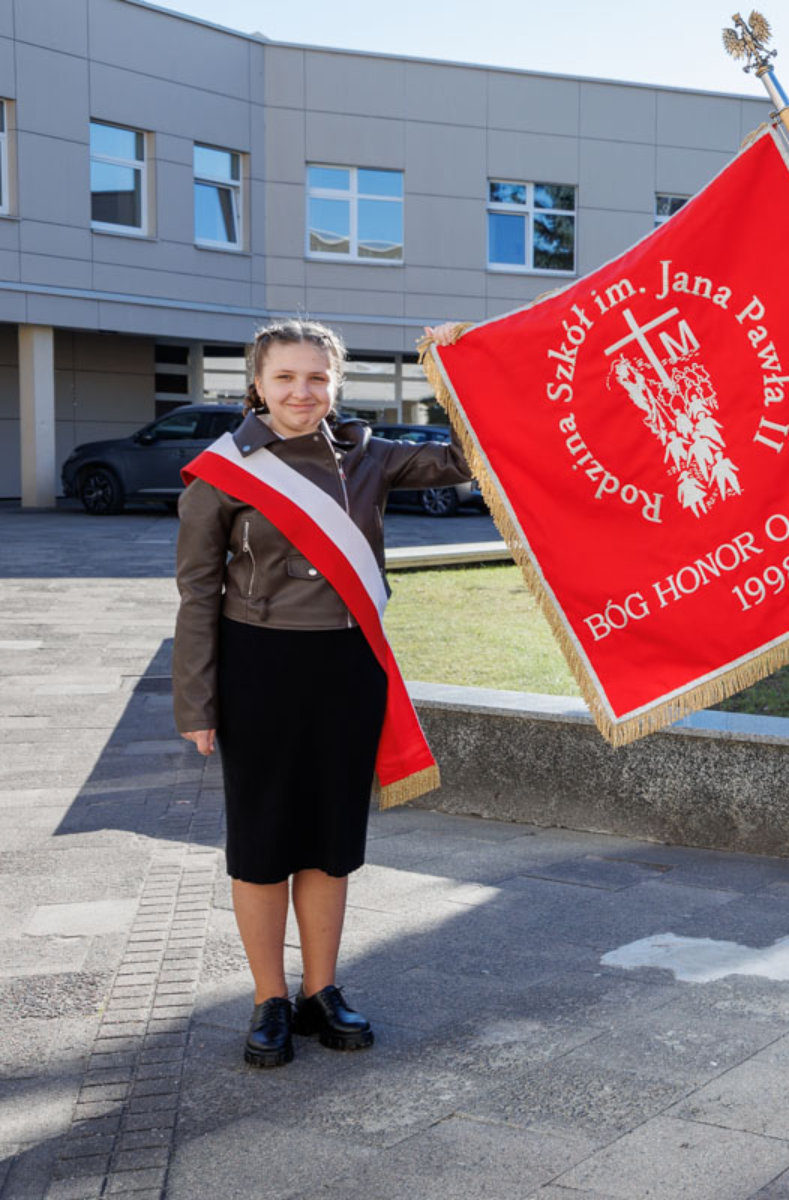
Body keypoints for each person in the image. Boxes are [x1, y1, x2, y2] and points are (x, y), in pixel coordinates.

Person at [173, 319, 471, 1068]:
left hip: (346, 667)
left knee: (332, 842)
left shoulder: (369, 457)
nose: (302, 392)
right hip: (259, 668)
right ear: (257, 384)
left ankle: (323, 991)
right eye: (285, 378)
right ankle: (269, 998)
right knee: (264, 840)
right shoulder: (224, 471)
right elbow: (196, 593)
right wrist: (196, 703)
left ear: (335, 384)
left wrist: (458, 363)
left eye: (317, 378)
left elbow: (473, 459)